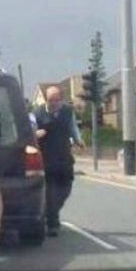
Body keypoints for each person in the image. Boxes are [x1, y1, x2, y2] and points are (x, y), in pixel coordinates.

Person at [32, 86, 84, 236]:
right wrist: (36, 134)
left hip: (64, 158)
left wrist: (78, 140)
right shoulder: (37, 114)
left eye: (56, 100)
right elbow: (28, 131)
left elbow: (72, 127)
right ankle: (53, 223)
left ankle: (50, 213)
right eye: (50, 100)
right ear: (46, 100)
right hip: (46, 160)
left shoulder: (67, 112)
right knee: (50, 194)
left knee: (65, 189)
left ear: (61, 100)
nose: (54, 103)